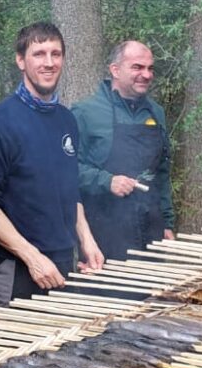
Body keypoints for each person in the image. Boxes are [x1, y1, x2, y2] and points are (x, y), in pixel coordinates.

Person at [0, 22, 104, 308]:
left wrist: (87, 240)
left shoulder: (66, 120)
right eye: (39, 54)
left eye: (55, 54)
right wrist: (33, 258)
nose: (49, 63)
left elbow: (71, 192)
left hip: (61, 261)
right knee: (14, 353)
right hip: (15, 266)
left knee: (62, 348)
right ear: (20, 60)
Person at [72, 41, 175, 264]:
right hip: (105, 235)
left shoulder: (156, 112)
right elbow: (67, 171)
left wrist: (167, 223)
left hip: (151, 230)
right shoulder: (86, 113)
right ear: (115, 70)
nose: (146, 75)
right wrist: (106, 181)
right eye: (137, 67)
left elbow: (162, 173)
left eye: (150, 68)